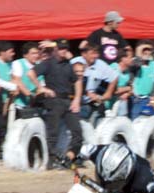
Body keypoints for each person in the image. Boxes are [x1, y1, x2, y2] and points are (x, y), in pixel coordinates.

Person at [28, 39, 83, 169]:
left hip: (68, 100)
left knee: (78, 133)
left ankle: (67, 159)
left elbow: (77, 81)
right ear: (56, 49)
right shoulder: (48, 63)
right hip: (54, 100)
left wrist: (77, 99)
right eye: (61, 48)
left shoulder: (68, 64)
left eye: (66, 48)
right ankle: (51, 162)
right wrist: (42, 88)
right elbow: (31, 73)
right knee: (53, 134)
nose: (64, 51)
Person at [71, 44, 118, 123]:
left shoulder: (100, 64)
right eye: (92, 53)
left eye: (96, 53)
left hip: (89, 103)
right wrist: (86, 93)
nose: (95, 56)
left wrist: (108, 94)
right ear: (84, 54)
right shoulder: (74, 63)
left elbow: (114, 77)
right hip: (73, 100)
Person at [129, 41, 154, 119]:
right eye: (144, 50)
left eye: (149, 50)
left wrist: (153, 101)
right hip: (136, 99)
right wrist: (140, 50)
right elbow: (135, 65)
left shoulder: (153, 64)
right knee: (135, 121)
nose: (147, 53)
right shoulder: (135, 62)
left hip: (148, 99)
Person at [11, 42, 42, 116]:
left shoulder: (40, 65)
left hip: (37, 105)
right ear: (25, 55)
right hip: (20, 105)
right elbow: (17, 80)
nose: (36, 56)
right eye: (33, 53)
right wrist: (29, 95)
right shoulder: (18, 63)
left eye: (37, 53)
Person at [108, 48, 134, 116]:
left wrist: (127, 94)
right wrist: (128, 88)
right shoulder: (114, 68)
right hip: (108, 105)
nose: (132, 59)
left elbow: (133, 88)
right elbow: (113, 90)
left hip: (119, 103)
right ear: (123, 58)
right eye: (130, 57)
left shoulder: (128, 72)